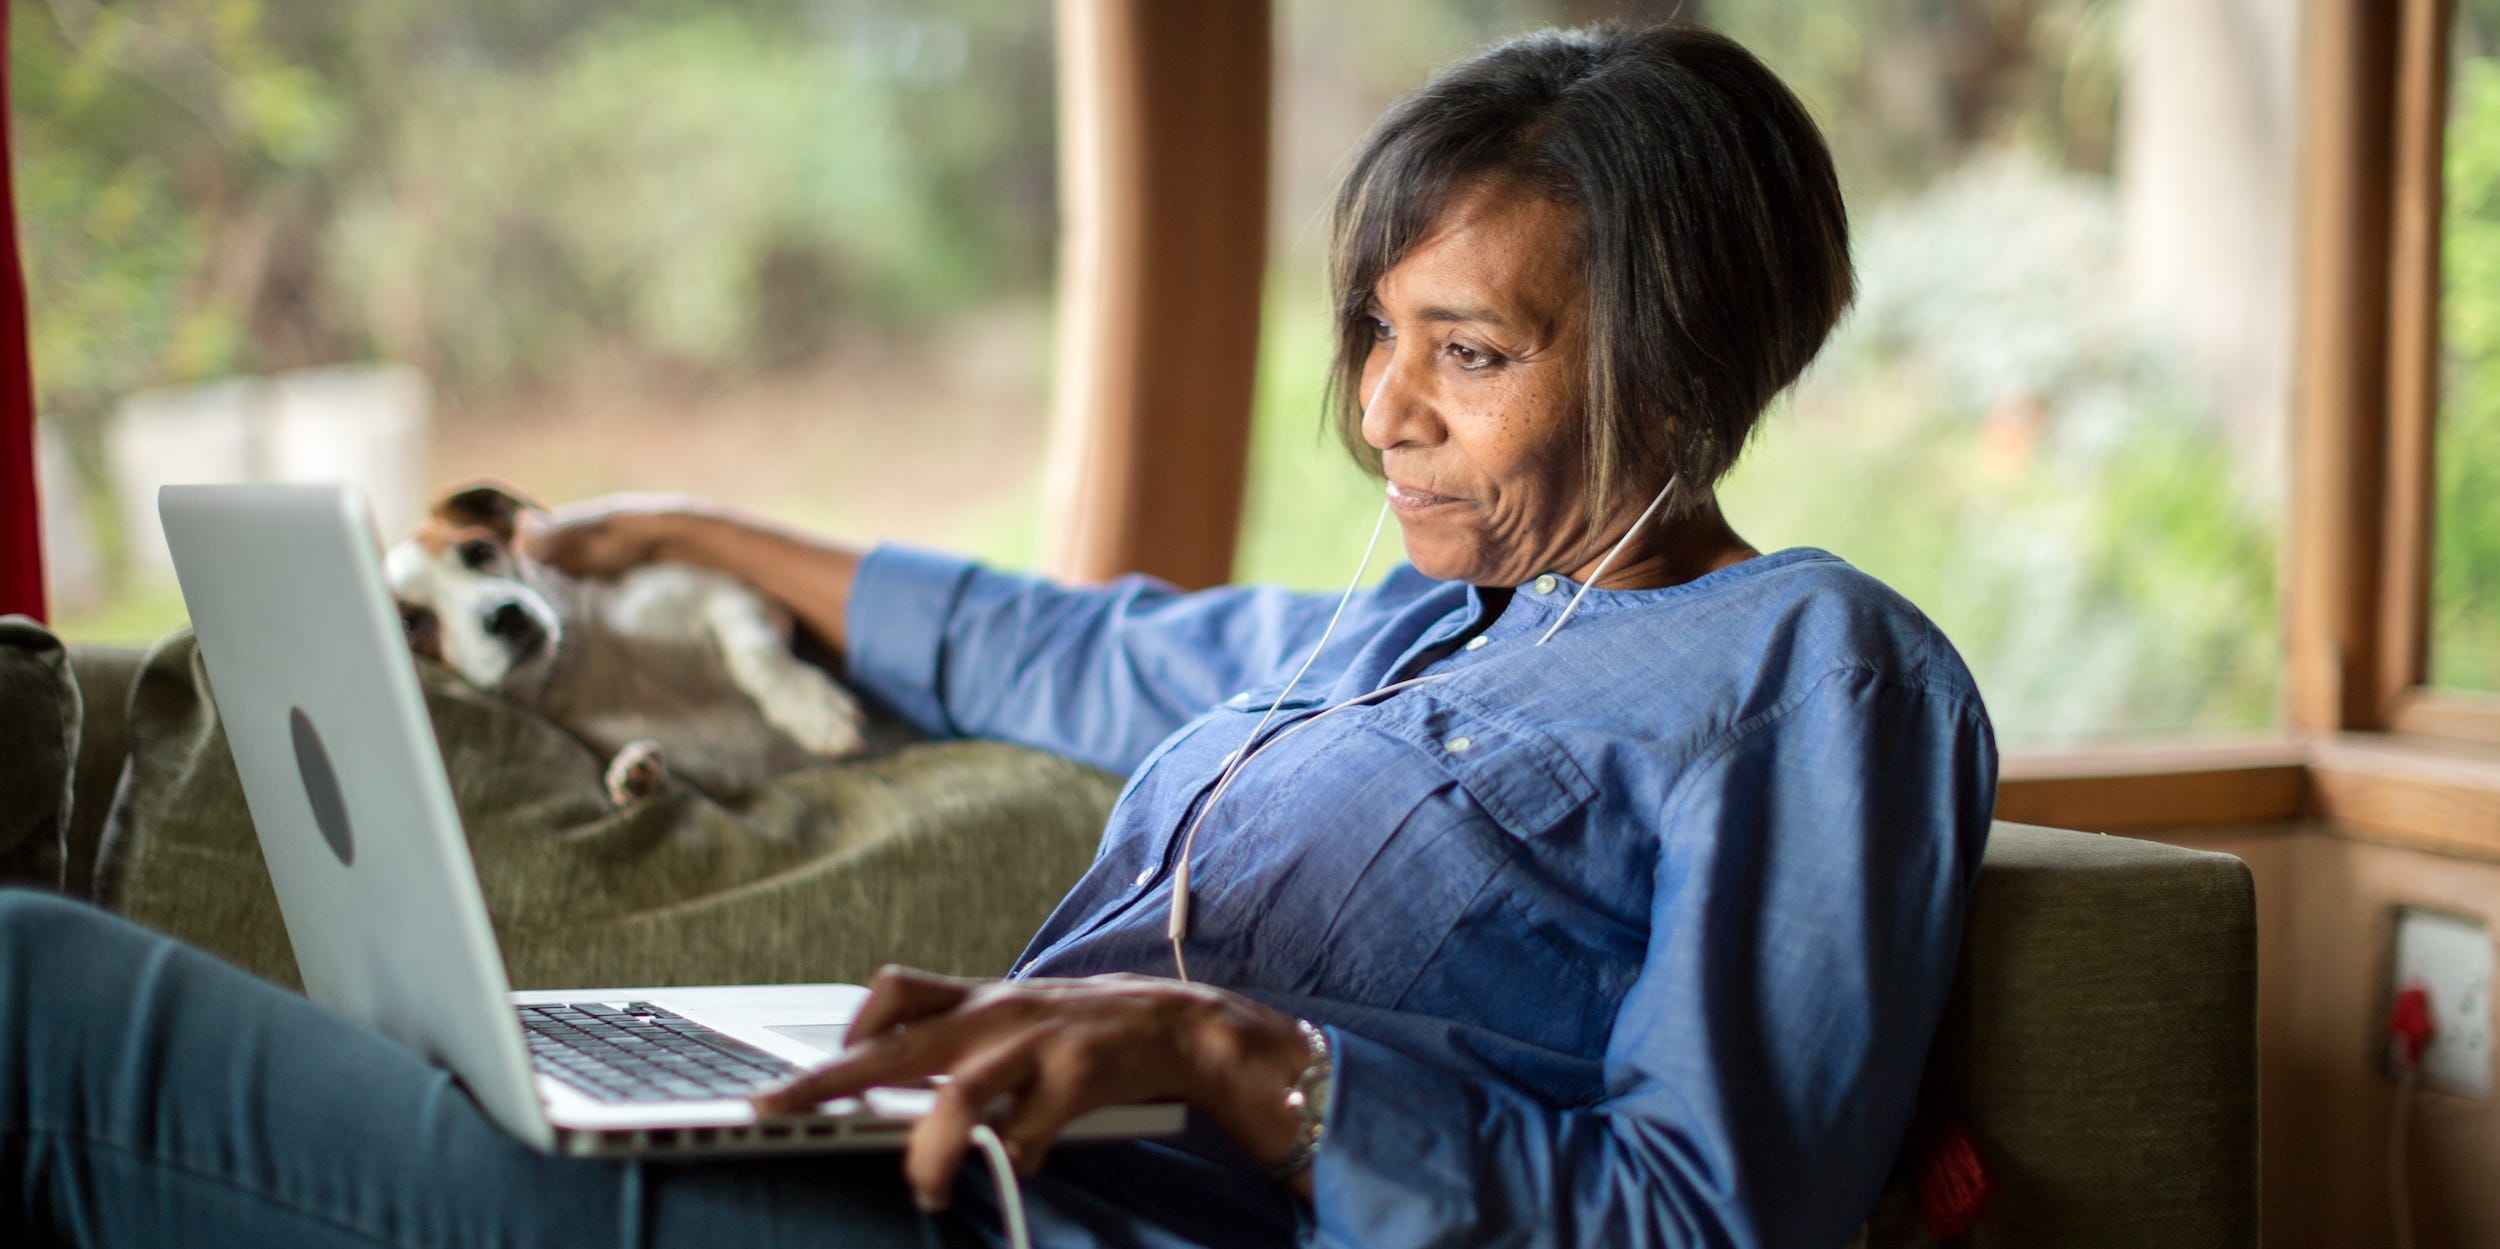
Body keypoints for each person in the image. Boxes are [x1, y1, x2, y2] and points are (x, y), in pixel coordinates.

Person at [0, 22, 1995, 1249]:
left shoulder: (1810, 672)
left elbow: (1700, 1221)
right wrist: (686, 529)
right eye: (1377, 335)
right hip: (934, 1187)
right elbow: (1065, 652)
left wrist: (1226, 1054)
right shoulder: (1411, 621)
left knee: (26, 1003)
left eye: (1463, 354)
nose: (1381, 408)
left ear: (1673, 373)